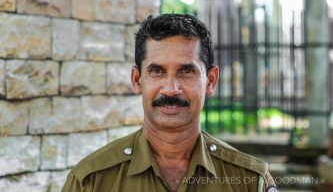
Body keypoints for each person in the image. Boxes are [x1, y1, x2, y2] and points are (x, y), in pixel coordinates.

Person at [61, 14, 277, 192]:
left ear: (210, 81)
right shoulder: (91, 182)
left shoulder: (251, 181)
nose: (171, 89)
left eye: (186, 71)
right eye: (157, 71)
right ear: (137, 80)